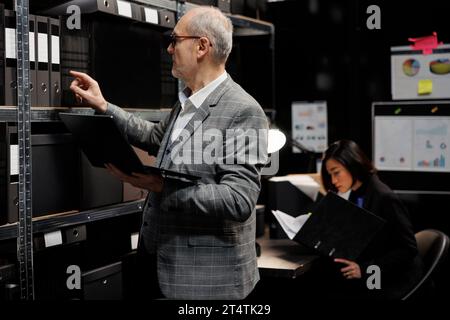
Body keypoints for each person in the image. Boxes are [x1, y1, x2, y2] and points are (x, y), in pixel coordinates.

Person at [69, 6, 268, 300]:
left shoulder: (244, 111)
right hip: (158, 261)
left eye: (175, 40)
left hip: (206, 281)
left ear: (202, 46)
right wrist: (104, 106)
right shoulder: (187, 101)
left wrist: (163, 187)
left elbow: (239, 200)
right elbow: (154, 137)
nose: (169, 48)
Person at [315, 139, 423, 299]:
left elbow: (408, 249)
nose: (333, 180)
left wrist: (365, 269)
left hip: (391, 279)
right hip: (374, 270)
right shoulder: (356, 193)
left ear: (352, 165)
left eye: (336, 172)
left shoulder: (384, 197)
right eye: (330, 174)